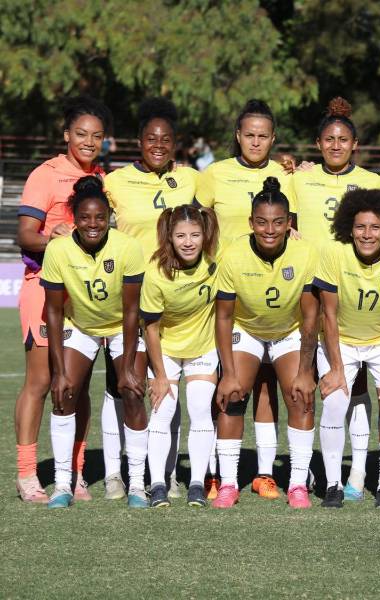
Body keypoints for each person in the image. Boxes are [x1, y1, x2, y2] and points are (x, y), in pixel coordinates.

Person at [103, 97, 209, 501]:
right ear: (139, 141)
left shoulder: (191, 179)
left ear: (175, 143)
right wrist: (59, 225)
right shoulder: (115, 181)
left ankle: (167, 474)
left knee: (167, 392)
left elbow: (227, 211)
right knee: (123, 387)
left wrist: (292, 168)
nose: (159, 145)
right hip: (129, 300)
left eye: (166, 139)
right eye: (151, 138)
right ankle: (116, 473)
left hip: (176, 301)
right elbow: (84, 209)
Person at [197, 100, 296, 499]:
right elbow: (199, 225)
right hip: (225, 292)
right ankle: (215, 472)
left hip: (272, 294)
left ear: (273, 139)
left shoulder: (286, 175)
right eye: (249, 135)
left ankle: (264, 474)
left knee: (267, 386)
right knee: (223, 385)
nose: (256, 142)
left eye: (263, 136)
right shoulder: (214, 173)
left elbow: (293, 229)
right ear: (238, 136)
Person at [15, 95, 111, 503]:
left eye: (97, 136)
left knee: (79, 383)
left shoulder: (103, 177)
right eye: (82, 134)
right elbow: (25, 234)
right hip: (44, 287)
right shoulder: (46, 174)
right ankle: (26, 474)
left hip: (85, 295)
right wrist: (52, 237)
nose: (89, 142)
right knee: (40, 381)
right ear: (66, 134)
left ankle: (75, 472)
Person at [290, 96, 380, 501]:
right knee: (315, 379)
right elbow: (284, 220)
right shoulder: (300, 179)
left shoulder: (373, 182)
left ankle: (357, 471)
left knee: (355, 383)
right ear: (318, 143)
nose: (336, 146)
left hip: (356, 289)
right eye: (329, 139)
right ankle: (310, 467)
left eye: (343, 140)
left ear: (355, 144)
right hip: (310, 288)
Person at [40, 176, 147, 508]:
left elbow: (132, 310)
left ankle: (137, 484)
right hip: (80, 325)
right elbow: (54, 312)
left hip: (121, 326)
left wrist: (126, 368)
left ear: (109, 217)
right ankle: (63, 483)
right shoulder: (58, 249)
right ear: (74, 217)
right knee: (64, 393)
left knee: (132, 391)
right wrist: (58, 372)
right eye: (85, 217)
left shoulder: (127, 246)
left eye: (100, 217)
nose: (93, 224)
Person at [213, 177, 319, 509]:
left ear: (289, 223)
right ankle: (228, 483)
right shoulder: (233, 254)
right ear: (250, 222)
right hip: (247, 329)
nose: (269, 230)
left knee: (301, 396)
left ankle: (297, 484)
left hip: (289, 330)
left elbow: (311, 316)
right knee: (232, 395)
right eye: (261, 222)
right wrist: (228, 373)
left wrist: (306, 370)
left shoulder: (305, 252)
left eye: (277, 222)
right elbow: (223, 317)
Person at [313, 187, 380, 509]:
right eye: (360, 227)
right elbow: (328, 314)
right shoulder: (333, 253)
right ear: (349, 228)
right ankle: (333, 484)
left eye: (375, 227)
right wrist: (336, 368)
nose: (367, 234)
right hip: (341, 340)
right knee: (334, 400)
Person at [141, 205, 220, 508]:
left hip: (203, 346)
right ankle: (158, 484)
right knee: (163, 411)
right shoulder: (155, 272)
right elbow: (150, 328)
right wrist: (160, 376)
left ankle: (197, 484)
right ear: (170, 237)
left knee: (200, 410)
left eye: (195, 235)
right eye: (181, 236)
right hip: (165, 350)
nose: (188, 242)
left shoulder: (216, 261)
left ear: (205, 235)